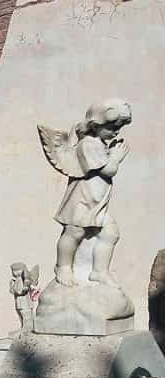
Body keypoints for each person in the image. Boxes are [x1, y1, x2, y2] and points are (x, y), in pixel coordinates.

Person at [43, 99, 132, 287]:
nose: (116, 132)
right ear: (95, 124)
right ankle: (63, 267)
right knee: (74, 232)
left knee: (111, 232)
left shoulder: (100, 144)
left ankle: (99, 272)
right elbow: (108, 170)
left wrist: (111, 151)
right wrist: (115, 157)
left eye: (118, 128)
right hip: (82, 201)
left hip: (97, 203)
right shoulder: (88, 144)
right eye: (112, 128)